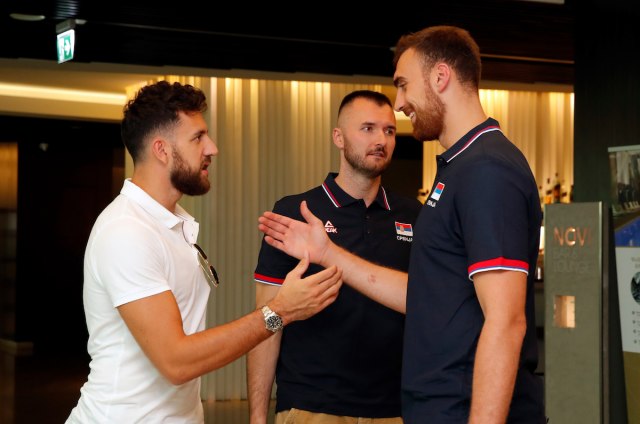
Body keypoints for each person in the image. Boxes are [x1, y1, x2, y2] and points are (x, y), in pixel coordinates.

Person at [257, 26, 545, 424]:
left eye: (404, 85)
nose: (400, 102)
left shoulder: (487, 170)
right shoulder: (459, 167)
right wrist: (326, 252)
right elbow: (426, 294)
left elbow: (506, 321)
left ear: (440, 77)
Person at [65, 80, 343, 423]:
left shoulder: (171, 223)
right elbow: (176, 362)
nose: (212, 148)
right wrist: (280, 311)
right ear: (162, 150)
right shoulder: (126, 230)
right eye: (198, 138)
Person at [247, 90, 422, 424]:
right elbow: (267, 321)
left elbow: (427, 306)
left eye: (389, 130)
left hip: (394, 410)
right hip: (312, 406)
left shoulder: (414, 215)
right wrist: (257, 416)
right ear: (338, 138)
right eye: (367, 128)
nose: (381, 140)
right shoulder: (295, 213)